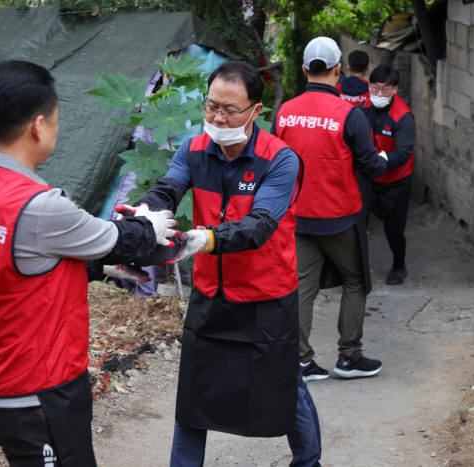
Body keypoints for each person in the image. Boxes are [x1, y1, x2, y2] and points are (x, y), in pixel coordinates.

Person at [0, 60, 177, 466]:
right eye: (56, 119)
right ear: (38, 125)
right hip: (39, 385)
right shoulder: (39, 206)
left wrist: (94, 268)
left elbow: (14, 266)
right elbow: (119, 241)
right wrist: (151, 223)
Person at [130, 60, 321, 466]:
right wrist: (147, 211)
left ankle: (308, 462)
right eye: (211, 106)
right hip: (211, 291)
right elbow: (169, 187)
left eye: (230, 110)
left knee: (285, 385)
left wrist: (207, 238)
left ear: (255, 111)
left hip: (266, 295)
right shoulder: (194, 149)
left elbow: (261, 224)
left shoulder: (281, 160)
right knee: (194, 393)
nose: (218, 117)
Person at [273, 37, 387, 382]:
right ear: (339, 70)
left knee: (301, 287)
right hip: (340, 217)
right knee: (355, 282)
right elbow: (369, 164)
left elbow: (274, 160)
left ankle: (300, 361)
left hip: (298, 216)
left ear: (305, 69)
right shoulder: (349, 115)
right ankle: (349, 357)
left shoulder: (285, 112)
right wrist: (382, 163)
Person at [359, 64, 416, 285]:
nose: (378, 94)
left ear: (395, 90)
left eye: (384, 89)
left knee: (394, 230)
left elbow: (402, 154)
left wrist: (377, 160)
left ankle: (399, 265)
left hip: (396, 181)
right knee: (357, 224)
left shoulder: (403, 117)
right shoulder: (362, 108)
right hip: (368, 179)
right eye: (374, 88)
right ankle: (358, 270)